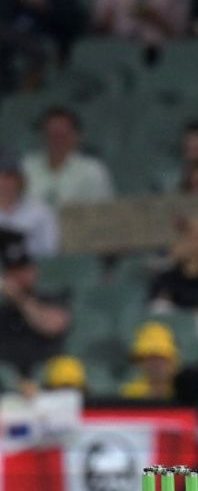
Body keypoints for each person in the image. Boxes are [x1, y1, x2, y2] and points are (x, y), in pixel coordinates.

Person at [0, 235, 71, 379]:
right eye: (12, 272)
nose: (18, 277)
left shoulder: (52, 298)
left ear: (34, 272)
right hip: (7, 384)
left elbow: (53, 324)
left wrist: (19, 298)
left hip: (47, 380)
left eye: (23, 270)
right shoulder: (3, 309)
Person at [21, 107, 115, 207]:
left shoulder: (92, 171)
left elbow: (104, 210)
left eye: (62, 135)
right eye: (51, 134)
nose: (57, 140)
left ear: (76, 136)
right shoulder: (25, 166)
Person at [0, 150, 59, 256]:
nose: (4, 183)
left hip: (32, 269)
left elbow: (52, 254)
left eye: (9, 176)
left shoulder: (41, 212)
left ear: (21, 180)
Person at [120, 321, 180, 400]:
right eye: (149, 359)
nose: (155, 365)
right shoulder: (129, 395)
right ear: (140, 363)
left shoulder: (187, 393)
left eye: (160, 358)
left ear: (172, 361)